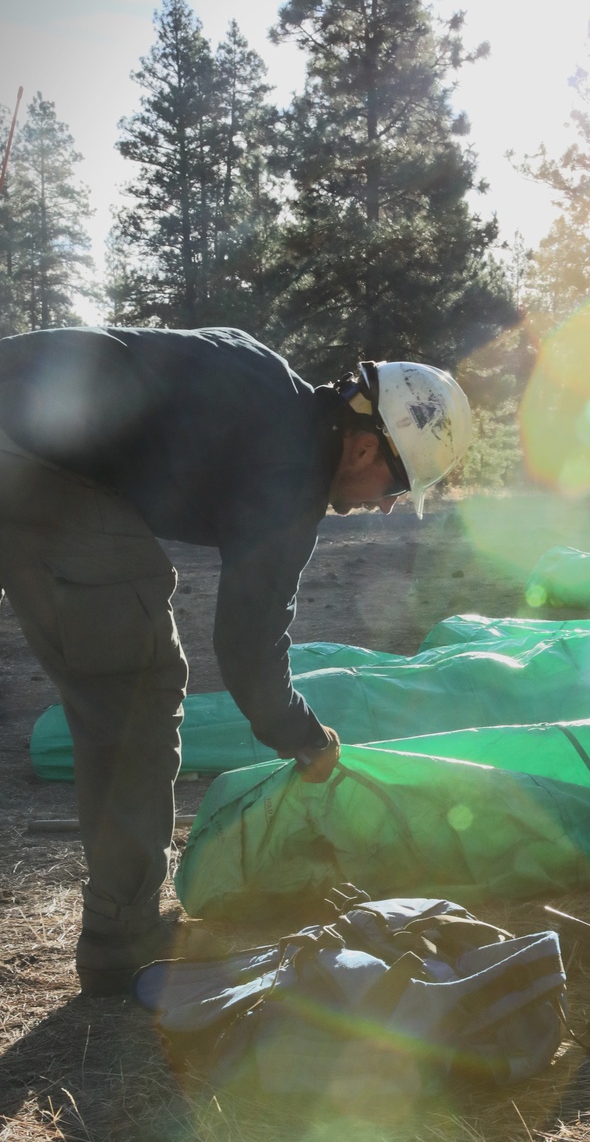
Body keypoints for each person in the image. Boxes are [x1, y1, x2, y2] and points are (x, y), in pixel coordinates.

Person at [0, 326, 473, 996]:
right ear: (365, 444)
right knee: (135, 689)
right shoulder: (290, 475)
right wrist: (307, 741)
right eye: (395, 484)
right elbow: (248, 652)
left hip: (22, 436)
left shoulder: (270, 388)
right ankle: (122, 938)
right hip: (31, 459)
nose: (390, 504)